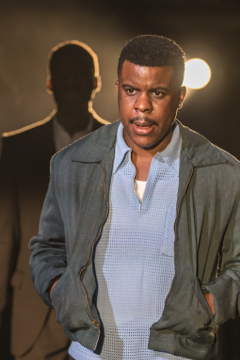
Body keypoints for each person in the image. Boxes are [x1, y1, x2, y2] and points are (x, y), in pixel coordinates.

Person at [29, 35, 240, 360]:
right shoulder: (73, 163)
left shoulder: (221, 172)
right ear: (117, 88)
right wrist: (62, 292)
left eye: (157, 93)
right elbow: (47, 247)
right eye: (131, 91)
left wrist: (207, 305)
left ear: (180, 96)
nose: (142, 105)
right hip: (88, 355)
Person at [0, 40, 108, 360]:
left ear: (96, 82)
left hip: (101, 313)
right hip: (31, 316)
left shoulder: (124, 147)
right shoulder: (16, 148)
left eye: (80, 73)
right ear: (50, 83)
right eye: (64, 74)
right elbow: (4, 235)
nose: (72, 81)